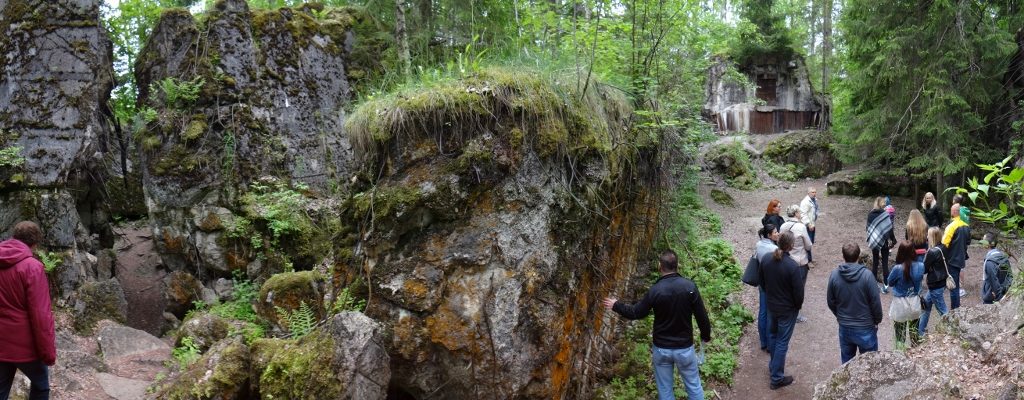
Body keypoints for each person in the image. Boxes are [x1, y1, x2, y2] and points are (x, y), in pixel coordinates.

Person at [602, 250, 711, 400]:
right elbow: (702, 316)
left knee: (665, 391)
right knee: (693, 386)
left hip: (662, 349)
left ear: (660, 266)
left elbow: (636, 313)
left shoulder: (655, 291)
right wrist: (706, 336)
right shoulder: (689, 287)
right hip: (684, 348)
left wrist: (616, 305)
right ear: (677, 266)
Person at [0, 221, 56, 400]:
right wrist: (48, 353)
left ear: (14, 236)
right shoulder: (32, 267)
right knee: (41, 387)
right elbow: (41, 315)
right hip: (26, 346)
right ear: (35, 243)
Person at [759, 232, 804, 390]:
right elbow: (798, 292)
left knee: (772, 335)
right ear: (791, 246)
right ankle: (776, 377)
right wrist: (797, 307)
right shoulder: (792, 266)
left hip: (772, 306)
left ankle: (774, 366)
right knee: (782, 341)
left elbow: (762, 283)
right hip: (786, 310)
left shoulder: (766, 259)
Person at [827, 243, 882, 364]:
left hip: (845, 327)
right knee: (870, 364)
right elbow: (876, 303)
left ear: (843, 256)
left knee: (847, 365)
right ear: (858, 256)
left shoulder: (835, 275)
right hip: (866, 327)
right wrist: (876, 320)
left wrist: (840, 315)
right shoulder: (867, 276)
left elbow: (830, 301)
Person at [888, 241, 925, 348]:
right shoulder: (921, 266)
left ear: (900, 252)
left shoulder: (897, 269)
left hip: (900, 305)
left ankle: (901, 356)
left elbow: (890, 282)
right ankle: (916, 354)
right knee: (914, 334)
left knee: (900, 335)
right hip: (914, 303)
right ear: (914, 252)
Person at [780, 205, 812, 322]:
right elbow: (808, 245)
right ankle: (796, 314)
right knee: (799, 288)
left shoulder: (783, 226)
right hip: (799, 262)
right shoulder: (801, 226)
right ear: (796, 213)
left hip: (785, 260)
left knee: (786, 287)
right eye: (799, 211)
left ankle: (786, 310)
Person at [753, 224, 780, 352]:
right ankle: (770, 343)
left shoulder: (758, 245)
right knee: (770, 313)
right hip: (772, 283)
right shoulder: (774, 248)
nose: (778, 233)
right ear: (769, 235)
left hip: (761, 280)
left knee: (762, 311)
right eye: (775, 232)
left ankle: (763, 341)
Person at [919, 227, 949, 336]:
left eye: (928, 235)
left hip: (935, 285)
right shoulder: (944, 247)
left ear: (932, 237)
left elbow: (924, 269)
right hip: (941, 282)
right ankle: (921, 332)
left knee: (943, 311)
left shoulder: (932, 252)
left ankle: (952, 330)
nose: (926, 237)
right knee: (926, 306)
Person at [942, 204, 971, 309]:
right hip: (961, 260)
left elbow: (944, 244)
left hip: (951, 260)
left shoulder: (951, 226)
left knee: (953, 287)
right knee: (956, 285)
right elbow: (968, 242)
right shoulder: (966, 226)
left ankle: (954, 309)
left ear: (954, 212)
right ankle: (956, 307)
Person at [866, 197, 896, 293]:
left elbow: (868, 228)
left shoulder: (870, 214)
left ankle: (874, 284)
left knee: (875, 262)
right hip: (884, 242)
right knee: (885, 263)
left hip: (875, 241)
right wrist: (893, 240)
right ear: (882, 204)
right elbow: (889, 229)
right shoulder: (885, 215)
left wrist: (872, 236)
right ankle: (885, 286)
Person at [981, 233, 1013, 304]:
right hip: (1002, 292)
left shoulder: (989, 262)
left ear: (987, 244)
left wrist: (998, 296)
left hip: (991, 296)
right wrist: (1005, 290)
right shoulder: (1003, 256)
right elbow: (1009, 275)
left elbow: (993, 280)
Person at [799, 187, 819, 263]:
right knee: (807, 243)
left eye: (815, 192)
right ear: (808, 193)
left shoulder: (814, 200)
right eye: (812, 192)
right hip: (807, 226)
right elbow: (803, 214)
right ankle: (808, 261)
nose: (814, 194)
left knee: (810, 242)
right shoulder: (805, 202)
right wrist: (808, 224)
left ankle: (809, 259)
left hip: (812, 224)